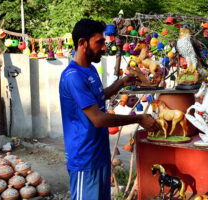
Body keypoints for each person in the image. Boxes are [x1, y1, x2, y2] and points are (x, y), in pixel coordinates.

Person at [59, 19, 160, 200]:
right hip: (85, 160)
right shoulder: (73, 76)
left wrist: (121, 83)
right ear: (82, 43)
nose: (104, 48)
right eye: (99, 42)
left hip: (100, 156)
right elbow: (98, 119)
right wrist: (138, 119)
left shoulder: (89, 70)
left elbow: (97, 96)